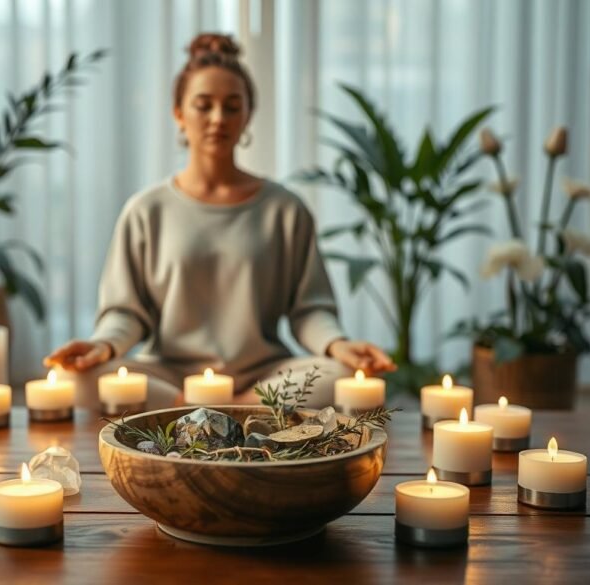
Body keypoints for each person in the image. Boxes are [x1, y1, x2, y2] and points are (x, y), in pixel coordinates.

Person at [44, 33, 395, 409]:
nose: (218, 118)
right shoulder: (146, 210)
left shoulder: (285, 210)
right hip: (169, 375)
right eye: (203, 105)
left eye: (232, 106)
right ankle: (221, 412)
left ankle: (216, 412)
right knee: (73, 379)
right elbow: (126, 312)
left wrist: (339, 345)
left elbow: (309, 310)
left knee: (340, 378)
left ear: (248, 115)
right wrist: (102, 345)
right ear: (178, 112)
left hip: (263, 377)